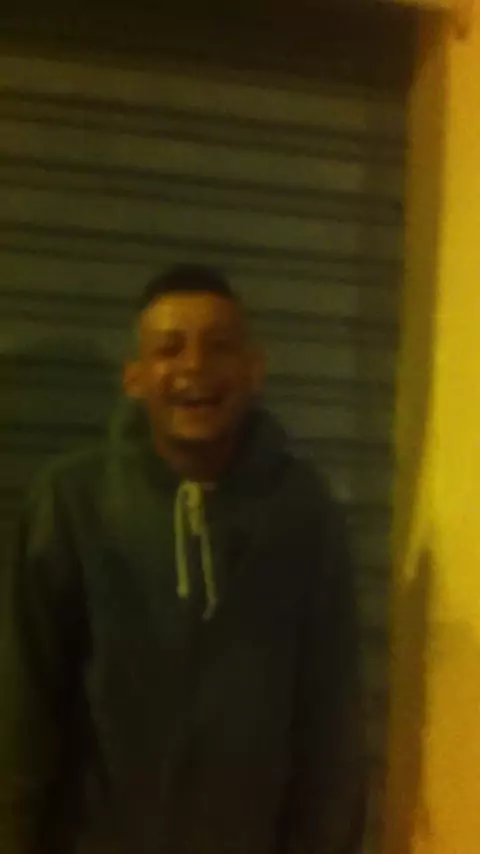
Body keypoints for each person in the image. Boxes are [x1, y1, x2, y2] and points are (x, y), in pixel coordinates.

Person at [0, 264, 366, 853]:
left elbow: (331, 727)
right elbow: (24, 710)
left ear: (254, 370)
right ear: (135, 377)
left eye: (219, 346)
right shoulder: (72, 504)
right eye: (169, 349)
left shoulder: (304, 512)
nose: (195, 366)